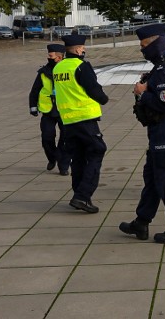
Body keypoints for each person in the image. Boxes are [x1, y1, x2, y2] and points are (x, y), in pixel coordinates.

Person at [120, 24, 165, 243]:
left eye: (143, 46)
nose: (142, 51)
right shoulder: (164, 65)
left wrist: (142, 93)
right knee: (152, 176)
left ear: (154, 43)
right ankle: (141, 222)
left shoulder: (163, 69)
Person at [52, 34, 109, 213]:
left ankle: (80, 196)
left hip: (68, 121)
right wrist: (104, 98)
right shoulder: (81, 66)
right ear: (78, 50)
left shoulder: (58, 68)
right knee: (96, 151)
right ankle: (82, 196)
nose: (84, 51)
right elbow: (93, 89)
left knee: (77, 159)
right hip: (85, 118)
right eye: (83, 48)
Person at [29, 43, 70, 175]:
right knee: (47, 137)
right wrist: (33, 106)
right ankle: (52, 158)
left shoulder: (68, 70)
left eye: (50, 55)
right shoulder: (43, 72)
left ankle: (63, 166)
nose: (48, 58)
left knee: (65, 139)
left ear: (59, 57)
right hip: (48, 110)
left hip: (64, 109)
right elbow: (35, 90)